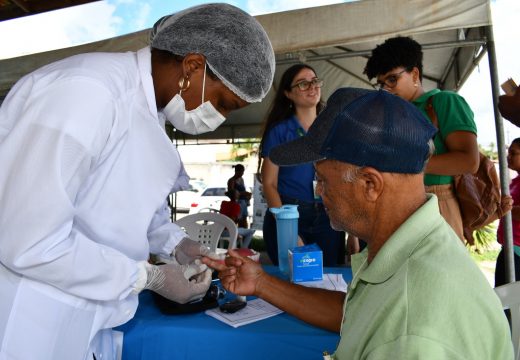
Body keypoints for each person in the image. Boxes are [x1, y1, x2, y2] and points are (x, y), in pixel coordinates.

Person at [0, 4, 275, 360]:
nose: (219, 118)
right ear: (192, 66)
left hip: (89, 314)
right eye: (223, 103)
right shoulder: (87, 92)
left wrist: (178, 245)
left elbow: (125, 210)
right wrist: (146, 278)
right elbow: (28, 241)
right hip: (31, 316)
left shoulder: (149, 111)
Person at [204, 88, 513, 359]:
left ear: (370, 184)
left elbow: (393, 326)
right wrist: (261, 282)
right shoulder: (411, 245)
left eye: (323, 180)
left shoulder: (412, 331)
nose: (319, 191)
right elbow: (356, 314)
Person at [363, 36, 480, 243]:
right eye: (381, 84)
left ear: (414, 73)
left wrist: (407, 163)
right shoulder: (390, 114)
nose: (386, 89)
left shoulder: (445, 101)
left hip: (436, 203)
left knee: (440, 272)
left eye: (392, 80)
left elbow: (469, 161)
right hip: (395, 203)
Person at [258, 63, 345, 267]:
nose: (312, 87)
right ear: (288, 94)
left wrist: (351, 231)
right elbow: (269, 184)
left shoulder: (333, 128)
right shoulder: (280, 131)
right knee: (291, 281)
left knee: (328, 280)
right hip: (289, 213)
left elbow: (343, 178)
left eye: (314, 81)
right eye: (303, 84)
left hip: (328, 215)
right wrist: (287, 229)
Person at [495, 137, 520, 286]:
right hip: (509, 248)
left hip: (516, 252)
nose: (508, 157)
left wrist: (505, 209)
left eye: (513, 153)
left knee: (510, 302)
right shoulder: (515, 182)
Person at [227, 164, 251, 228]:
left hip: (244, 202)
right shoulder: (231, 180)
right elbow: (231, 193)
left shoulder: (241, 179)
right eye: (241, 172)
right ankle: (236, 235)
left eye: (243, 172)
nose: (242, 173)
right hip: (236, 203)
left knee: (244, 220)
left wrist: (247, 196)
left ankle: (243, 235)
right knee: (236, 220)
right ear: (237, 171)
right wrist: (243, 193)